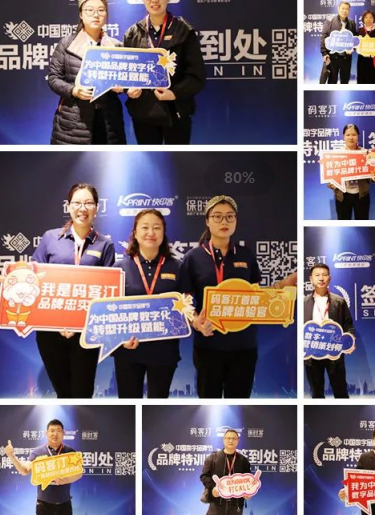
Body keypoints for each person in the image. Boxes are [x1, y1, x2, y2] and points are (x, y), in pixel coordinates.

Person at [32, 183, 114, 397]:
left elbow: (108, 295)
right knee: (63, 393)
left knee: (82, 394)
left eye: (88, 203)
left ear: (96, 208)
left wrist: (79, 325)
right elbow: (33, 281)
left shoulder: (105, 245)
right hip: (50, 332)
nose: (82, 208)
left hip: (86, 333)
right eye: (77, 203)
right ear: (68, 206)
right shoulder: (50, 238)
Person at [180, 195, 261, 398]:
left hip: (244, 344)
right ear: (207, 221)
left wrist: (282, 288)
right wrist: (196, 321)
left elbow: (257, 295)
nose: (224, 221)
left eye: (229, 216)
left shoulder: (246, 255)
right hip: (208, 344)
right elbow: (184, 299)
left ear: (236, 220)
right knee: (209, 401)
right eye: (217, 216)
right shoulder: (193, 258)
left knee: (239, 402)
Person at [123, 0, 206, 144]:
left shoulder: (183, 30)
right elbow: (125, 74)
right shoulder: (132, 34)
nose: (154, 0)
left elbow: (197, 76)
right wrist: (129, 90)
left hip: (176, 111)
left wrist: (174, 93)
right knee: (149, 158)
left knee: (177, 158)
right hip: (144, 114)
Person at [113, 209, 184, 398]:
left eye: (157, 228)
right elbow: (109, 313)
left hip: (164, 350)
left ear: (163, 233)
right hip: (129, 349)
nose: (151, 233)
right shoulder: (119, 269)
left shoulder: (177, 267)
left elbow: (187, 305)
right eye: (145, 227)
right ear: (135, 233)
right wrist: (120, 339)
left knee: (157, 405)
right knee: (128, 404)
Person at [48, 0, 126, 145]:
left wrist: (121, 87)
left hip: (108, 121)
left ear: (106, 15)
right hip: (73, 119)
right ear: (81, 14)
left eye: (101, 10)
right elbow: (53, 78)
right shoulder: (66, 44)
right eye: (90, 10)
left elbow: (125, 81)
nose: (96, 15)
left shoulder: (116, 46)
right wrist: (74, 91)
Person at [4, 419, 82, 515]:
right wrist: (12, 456)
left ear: (63, 433)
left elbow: (79, 473)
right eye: (52, 431)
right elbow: (24, 470)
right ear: (46, 433)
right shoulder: (37, 452)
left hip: (64, 503)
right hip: (44, 505)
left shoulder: (70, 452)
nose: (55, 434)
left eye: (58, 430)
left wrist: (65, 480)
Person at [304, 263, 355, 398]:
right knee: (316, 393)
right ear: (311, 279)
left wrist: (350, 341)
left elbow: (348, 324)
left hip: (334, 353)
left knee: (340, 392)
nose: (321, 278)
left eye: (324, 275)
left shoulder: (339, 301)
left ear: (329, 278)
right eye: (317, 275)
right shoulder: (303, 302)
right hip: (312, 354)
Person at [327, 123, 375, 219]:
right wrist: (331, 184)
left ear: (358, 136)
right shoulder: (337, 154)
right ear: (343, 136)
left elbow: (371, 174)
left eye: (353, 135)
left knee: (362, 223)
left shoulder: (366, 154)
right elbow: (330, 176)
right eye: (348, 135)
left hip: (362, 196)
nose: (351, 137)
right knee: (343, 224)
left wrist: (374, 178)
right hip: (342, 196)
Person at [200, 429, 252, 515]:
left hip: (236, 505)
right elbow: (204, 476)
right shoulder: (213, 458)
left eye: (234, 438)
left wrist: (247, 492)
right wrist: (213, 488)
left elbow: (248, 480)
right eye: (228, 438)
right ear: (223, 440)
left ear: (238, 441)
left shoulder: (243, 461)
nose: (231, 441)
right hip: (216, 503)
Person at [320, 1, 357, 84]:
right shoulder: (330, 21)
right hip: (333, 57)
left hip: (346, 58)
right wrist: (324, 53)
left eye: (347, 9)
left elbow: (354, 39)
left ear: (349, 11)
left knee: (345, 81)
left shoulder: (352, 23)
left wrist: (352, 49)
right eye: (343, 8)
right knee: (332, 81)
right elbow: (324, 37)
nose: (344, 11)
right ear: (338, 9)